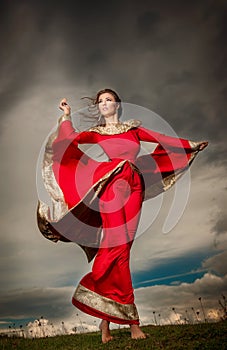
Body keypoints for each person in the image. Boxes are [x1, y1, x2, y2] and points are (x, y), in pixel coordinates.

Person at [37, 88, 208, 343]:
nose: (104, 103)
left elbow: (162, 138)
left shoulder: (133, 130)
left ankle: (104, 324)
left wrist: (190, 145)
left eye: (109, 100)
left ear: (117, 104)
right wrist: (67, 115)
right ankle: (133, 324)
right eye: (101, 101)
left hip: (135, 185)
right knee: (116, 247)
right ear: (99, 108)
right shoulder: (96, 133)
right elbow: (69, 139)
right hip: (113, 185)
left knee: (122, 249)